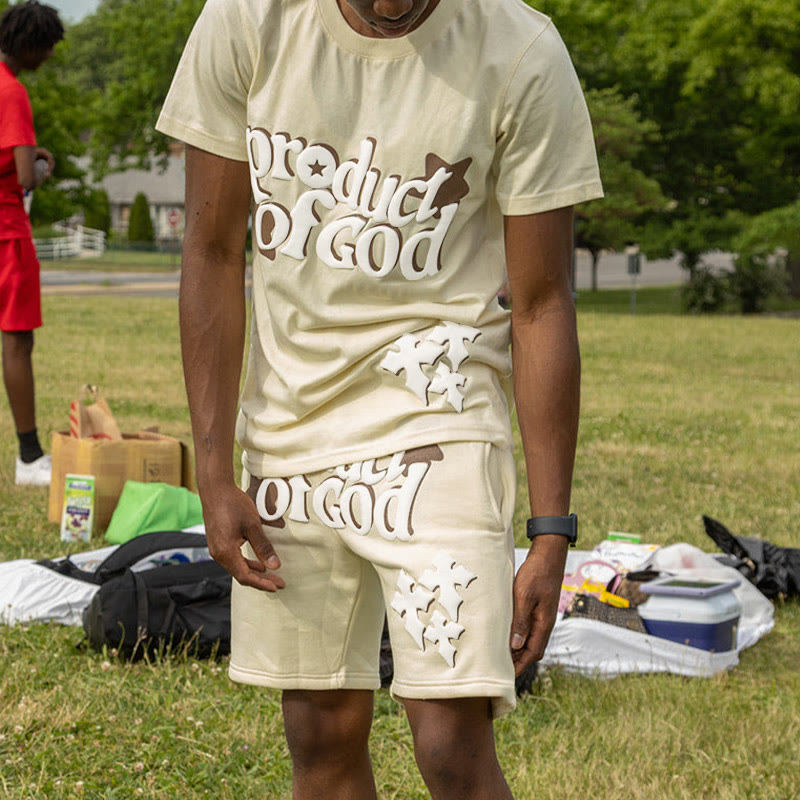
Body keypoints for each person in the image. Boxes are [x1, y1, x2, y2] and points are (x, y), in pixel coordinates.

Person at [157, 0, 602, 796]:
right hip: (292, 428)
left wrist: (550, 532)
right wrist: (215, 473)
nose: (395, 7)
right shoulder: (246, 21)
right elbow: (213, 251)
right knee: (319, 729)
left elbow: (541, 303)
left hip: (440, 416)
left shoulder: (521, 49)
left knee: (450, 739)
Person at [0, 0, 63, 487]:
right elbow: (24, 176)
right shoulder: (13, 91)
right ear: (32, 45)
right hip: (7, 233)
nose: (50, 57)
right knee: (18, 342)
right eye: (48, 48)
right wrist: (40, 165)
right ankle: (29, 458)